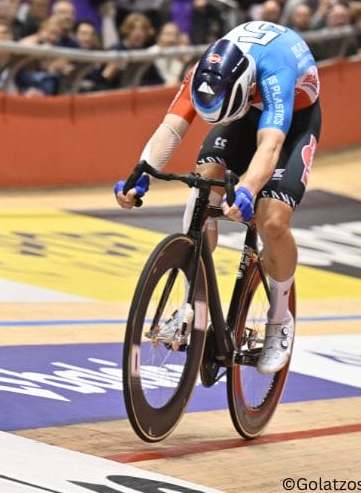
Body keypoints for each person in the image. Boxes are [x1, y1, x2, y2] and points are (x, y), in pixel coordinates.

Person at [115, 21, 321, 375]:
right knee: (203, 185)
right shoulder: (203, 72)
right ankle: (190, 307)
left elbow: (270, 146)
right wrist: (141, 173)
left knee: (272, 222)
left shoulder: (276, 73)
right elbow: (171, 127)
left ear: (247, 86)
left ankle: (280, 317)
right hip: (240, 110)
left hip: (292, 120)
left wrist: (247, 190)